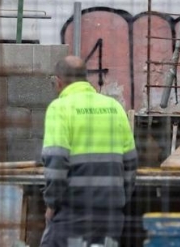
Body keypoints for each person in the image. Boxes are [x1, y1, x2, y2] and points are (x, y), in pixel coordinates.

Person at [40, 56, 138, 247]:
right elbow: (131, 163)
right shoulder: (114, 107)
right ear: (86, 78)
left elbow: (56, 163)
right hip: (110, 215)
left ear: (58, 82)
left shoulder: (59, 109)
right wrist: (119, 200)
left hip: (73, 212)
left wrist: (51, 205)